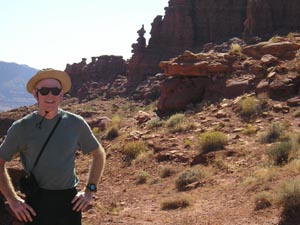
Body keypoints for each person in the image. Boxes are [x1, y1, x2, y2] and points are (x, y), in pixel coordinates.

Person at [0, 68, 106, 225]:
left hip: (69, 202)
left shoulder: (75, 123)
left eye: (55, 91)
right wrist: (13, 200)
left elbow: (99, 154)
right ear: (36, 94)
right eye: (44, 91)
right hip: (36, 202)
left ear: (61, 95)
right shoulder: (21, 127)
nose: (50, 95)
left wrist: (90, 191)